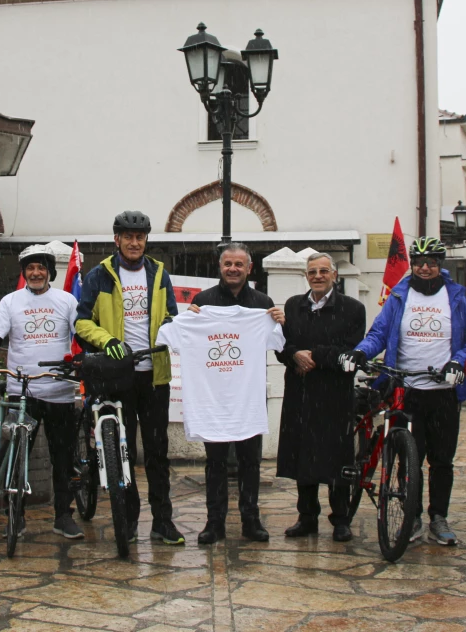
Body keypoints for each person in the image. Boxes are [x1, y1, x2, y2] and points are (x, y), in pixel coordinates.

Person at [341, 237, 466, 546]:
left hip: (444, 391)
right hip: (407, 389)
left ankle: (439, 517)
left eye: (431, 262)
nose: (425, 267)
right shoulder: (399, 296)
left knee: (442, 460)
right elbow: (378, 333)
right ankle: (412, 516)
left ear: (439, 265)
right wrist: (361, 352)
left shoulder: (456, 297)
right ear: (413, 266)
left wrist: (459, 362)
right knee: (409, 458)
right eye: (419, 262)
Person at [75, 211, 184, 545]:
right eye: (128, 236)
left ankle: (163, 522)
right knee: (123, 453)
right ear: (117, 240)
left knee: (157, 452)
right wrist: (108, 341)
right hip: (118, 377)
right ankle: (130, 518)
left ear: (146, 240)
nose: (134, 242)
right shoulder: (99, 276)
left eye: (140, 237)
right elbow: (81, 322)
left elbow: (171, 318)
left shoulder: (160, 274)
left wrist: (175, 331)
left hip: (154, 376)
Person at [0, 245, 82, 539]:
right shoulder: (10, 302)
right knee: (17, 456)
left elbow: (81, 332)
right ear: (24, 272)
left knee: (62, 457)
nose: (35, 273)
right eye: (30, 268)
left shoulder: (66, 300)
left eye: (41, 267)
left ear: (50, 272)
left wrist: (91, 359)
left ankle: (63, 516)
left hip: (59, 390)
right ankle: (15, 514)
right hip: (23, 392)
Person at [188, 242, 285, 544]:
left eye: (238, 264)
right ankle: (213, 522)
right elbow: (184, 338)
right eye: (228, 263)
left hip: (247, 399)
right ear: (220, 267)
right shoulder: (202, 301)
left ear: (249, 268)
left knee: (250, 462)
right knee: (214, 462)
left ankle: (250, 521)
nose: (233, 269)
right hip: (213, 399)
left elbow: (280, 347)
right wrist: (189, 318)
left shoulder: (261, 302)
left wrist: (281, 323)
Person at [276, 252, 366, 542]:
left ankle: (340, 518)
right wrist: (294, 355)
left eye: (323, 271)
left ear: (334, 275)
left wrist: (313, 355)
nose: (318, 276)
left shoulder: (353, 309)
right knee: (304, 456)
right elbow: (282, 346)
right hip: (300, 391)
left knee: (336, 456)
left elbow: (350, 349)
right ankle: (307, 517)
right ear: (306, 275)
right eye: (312, 271)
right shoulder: (294, 305)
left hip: (335, 392)